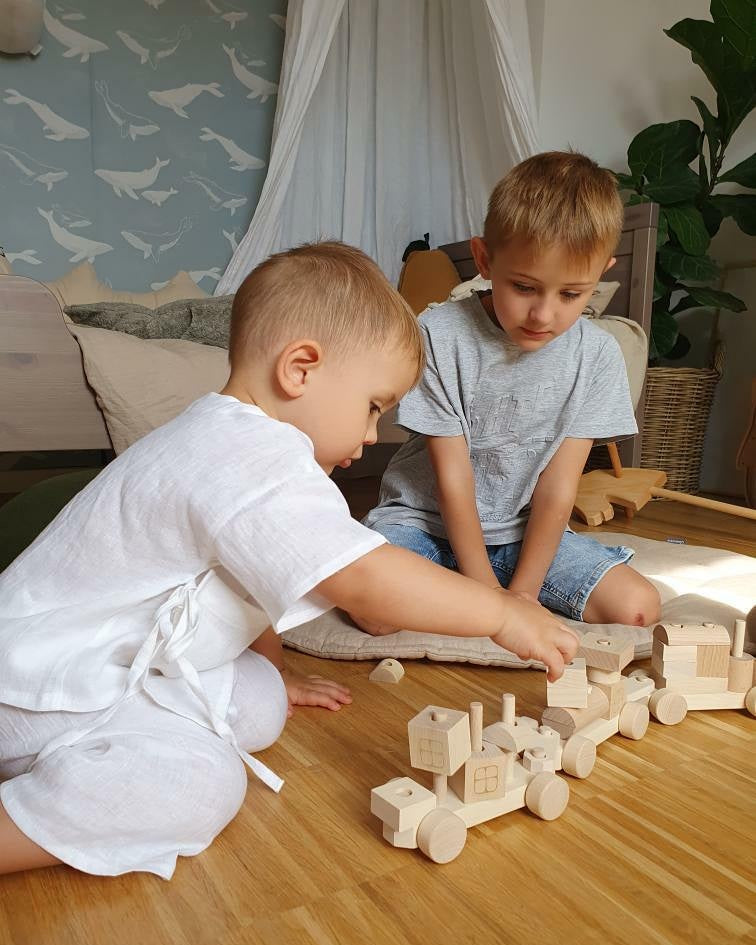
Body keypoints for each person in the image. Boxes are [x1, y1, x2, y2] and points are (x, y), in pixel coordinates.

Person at [0, 241, 577, 880]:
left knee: (262, 701)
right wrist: (499, 613)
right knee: (202, 790)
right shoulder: (253, 458)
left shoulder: (225, 438)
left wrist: (277, 674)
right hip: (40, 690)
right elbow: (368, 580)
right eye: (373, 407)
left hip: (92, 663)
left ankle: (103, 751)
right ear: (300, 368)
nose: (370, 436)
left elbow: (253, 586)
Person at [360, 152, 661, 636]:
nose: (543, 314)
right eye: (524, 287)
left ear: (600, 274)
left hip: (522, 536)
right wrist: (491, 604)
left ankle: (460, 594)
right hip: (424, 524)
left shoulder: (599, 356)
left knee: (638, 607)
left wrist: (522, 594)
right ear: (484, 260)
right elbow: (452, 482)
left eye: (570, 295)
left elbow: (558, 489)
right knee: (372, 610)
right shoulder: (438, 333)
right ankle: (460, 589)